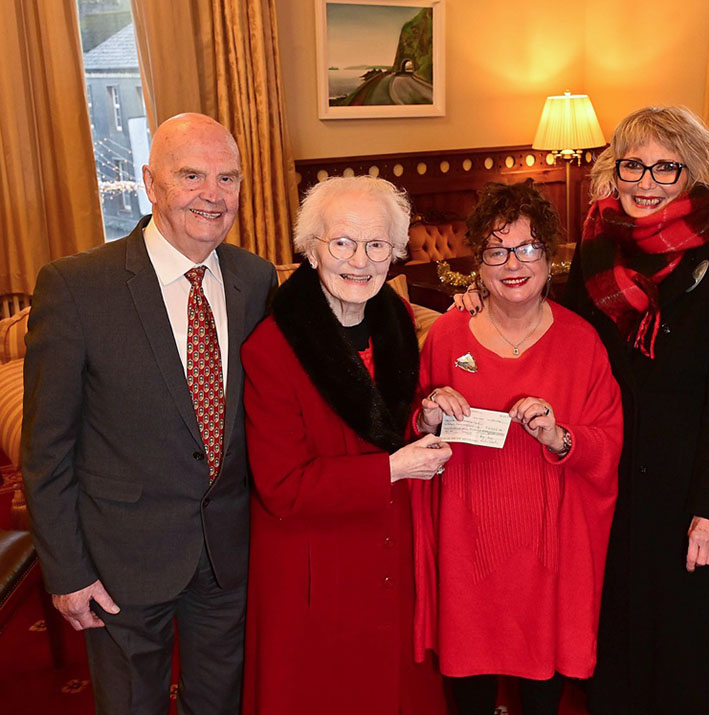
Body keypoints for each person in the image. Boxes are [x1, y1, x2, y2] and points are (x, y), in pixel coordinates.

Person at [21, 113, 276, 713]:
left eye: (228, 178)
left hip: (228, 552)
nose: (213, 195)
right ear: (150, 182)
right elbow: (46, 449)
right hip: (120, 561)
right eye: (191, 175)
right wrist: (67, 570)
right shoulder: (77, 287)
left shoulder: (255, 278)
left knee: (220, 704)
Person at [564, 106, 709, 714]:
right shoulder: (593, 252)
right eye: (635, 166)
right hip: (610, 477)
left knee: (687, 645)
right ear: (614, 171)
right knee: (616, 629)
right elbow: (566, 347)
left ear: (694, 174)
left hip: (688, 488)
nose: (646, 182)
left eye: (666, 168)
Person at [411, 180, 623, 715]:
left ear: (549, 258)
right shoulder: (447, 337)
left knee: (541, 687)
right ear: (477, 263)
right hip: (469, 547)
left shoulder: (581, 342)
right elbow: (413, 431)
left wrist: (559, 435)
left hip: (547, 554)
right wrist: (428, 413)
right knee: (471, 686)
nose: (513, 263)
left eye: (528, 248)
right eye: (497, 250)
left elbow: (608, 443)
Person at [240, 175, 449, 714]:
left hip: (388, 552)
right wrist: (393, 469)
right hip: (315, 572)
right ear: (312, 250)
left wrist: (427, 416)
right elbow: (282, 488)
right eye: (342, 243)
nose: (360, 260)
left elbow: (386, 420)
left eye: (377, 244)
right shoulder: (274, 347)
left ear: (395, 253)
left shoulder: (397, 318)